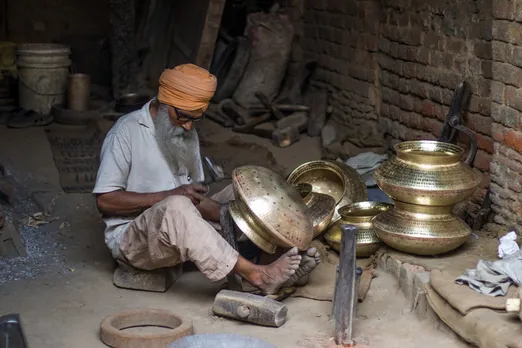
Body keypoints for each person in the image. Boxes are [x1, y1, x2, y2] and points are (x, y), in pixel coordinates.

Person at [93, 63, 319, 295]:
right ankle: (258, 275)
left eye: (195, 119)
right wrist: (168, 196)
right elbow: (105, 201)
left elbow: (192, 200)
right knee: (177, 206)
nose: (189, 125)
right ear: (163, 103)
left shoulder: (184, 130)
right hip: (135, 240)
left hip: (177, 222)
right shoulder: (126, 132)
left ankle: (278, 257)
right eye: (183, 116)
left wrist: (231, 213)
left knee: (245, 191)